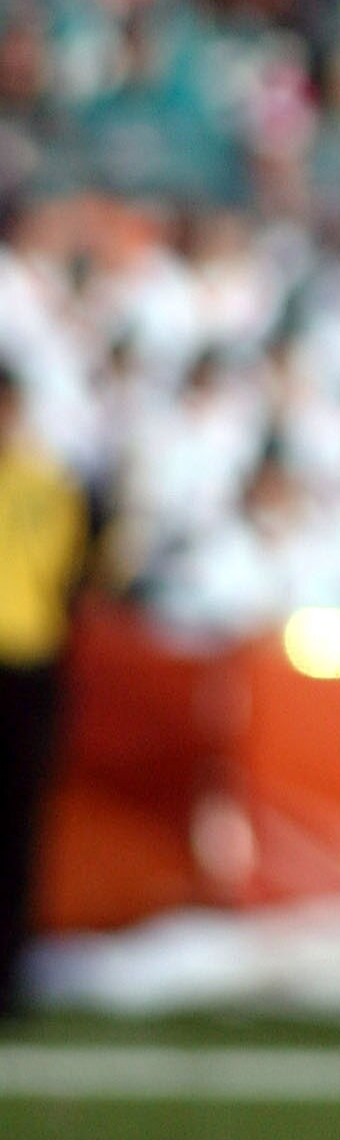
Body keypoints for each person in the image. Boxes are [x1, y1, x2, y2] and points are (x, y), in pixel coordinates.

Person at [0, 362, 91, 1015]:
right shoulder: (50, 483)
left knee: (17, 827)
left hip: (27, 665)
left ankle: (9, 969)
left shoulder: (48, 483)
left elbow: (68, 576)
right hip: (27, 656)